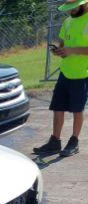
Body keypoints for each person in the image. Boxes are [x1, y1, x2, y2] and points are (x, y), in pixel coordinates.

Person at [34, 0, 88, 157]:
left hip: (82, 74)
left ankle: (74, 141)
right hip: (65, 72)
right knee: (58, 107)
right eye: (68, 8)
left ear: (83, 4)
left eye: (73, 8)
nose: (69, 11)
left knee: (77, 109)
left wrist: (72, 50)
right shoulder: (68, 21)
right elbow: (63, 42)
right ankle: (55, 142)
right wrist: (58, 48)